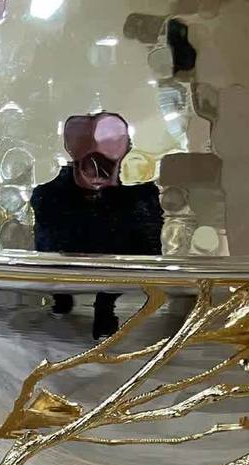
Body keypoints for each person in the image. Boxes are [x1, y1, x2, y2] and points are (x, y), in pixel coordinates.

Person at [31, 112, 164, 338]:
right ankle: (68, 300)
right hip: (67, 265)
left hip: (120, 269)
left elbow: (148, 250)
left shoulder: (139, 198)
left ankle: (99, 307)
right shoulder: (51, 195)